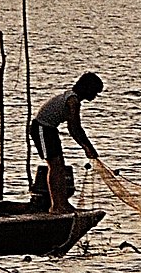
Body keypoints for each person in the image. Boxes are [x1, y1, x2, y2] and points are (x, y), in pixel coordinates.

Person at [29, 72, 103, 212]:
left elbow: (75, 129)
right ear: (87, 88)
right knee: (55, 166)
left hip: (50, 130)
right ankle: (57, 206)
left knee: (60, 166)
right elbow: (74, 128)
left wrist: (87, 146)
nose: (95, 96)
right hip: (41, 129)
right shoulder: (72, 101)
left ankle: (62, 203)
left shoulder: (73, 99)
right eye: (94, 92)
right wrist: (87, 147)